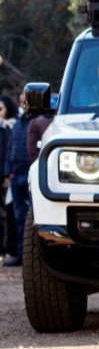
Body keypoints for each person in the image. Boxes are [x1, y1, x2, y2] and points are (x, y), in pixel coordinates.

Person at [3, 95, 34, 266]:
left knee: (33, 218)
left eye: (26, 101)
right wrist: (9, 171)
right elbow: (10, 148)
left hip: (30, 175)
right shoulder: (17, 124)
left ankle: (31, 256)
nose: (24, 104)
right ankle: (21, 254)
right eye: (22, 101)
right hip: (16, 175)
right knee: (19, 216)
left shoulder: (38, 121)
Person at [0, 95, 19, 263]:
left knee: (5, 213)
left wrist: (7, 174)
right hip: (6, 173)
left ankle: (6, 248)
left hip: (6, 176)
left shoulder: (10, 126)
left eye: (1, 109)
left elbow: (8, 152)